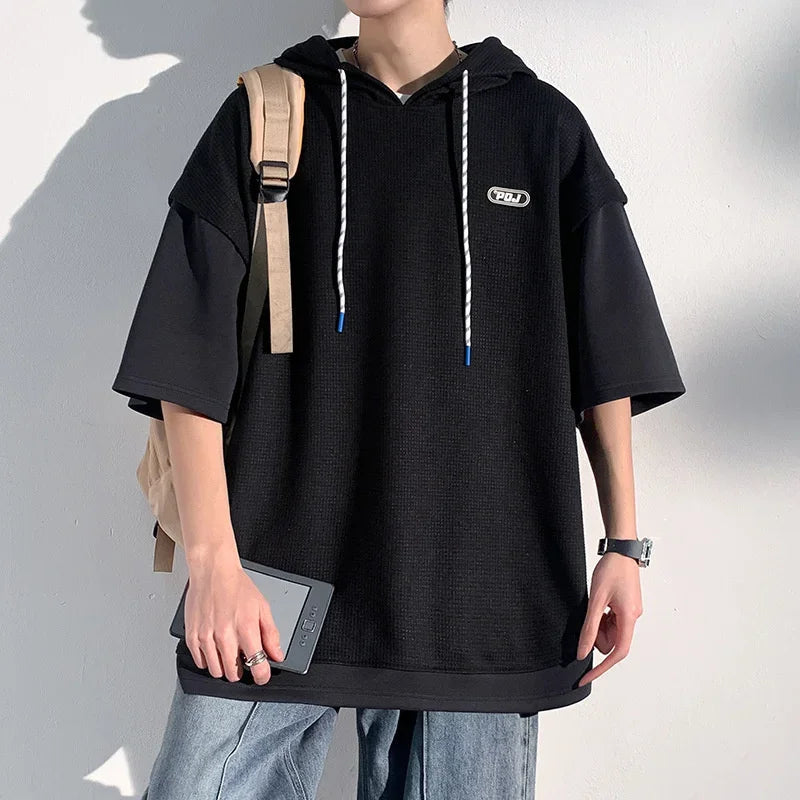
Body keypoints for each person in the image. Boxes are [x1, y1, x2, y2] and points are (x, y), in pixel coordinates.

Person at [111, 1, 686, 798]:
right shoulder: (267, 114)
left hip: (482, 588)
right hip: (275, 577)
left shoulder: (541, 125)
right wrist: (211, 562)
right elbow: (186, 351)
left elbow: (607, 355)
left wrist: (623, 545)